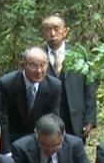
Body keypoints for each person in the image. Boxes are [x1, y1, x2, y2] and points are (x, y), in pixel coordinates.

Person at [42, 14, 98, 142]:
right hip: (46, 119)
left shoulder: (80, 55)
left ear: (65, 31)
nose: (52, 33)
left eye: (56, 28)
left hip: (75, 118)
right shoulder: (37, 56)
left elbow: (90, 88)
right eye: (48, 29)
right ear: (43, 33)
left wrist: (89, 119)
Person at [0, 47, 62, 144]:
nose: (39, 71)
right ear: (23, 65)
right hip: (13, 139)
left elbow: (53, 117)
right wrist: (6, 151)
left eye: (43, 65)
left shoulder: (54, 86)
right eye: (33, 65)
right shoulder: (7, 84)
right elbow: (3, 120)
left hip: (40, 140)